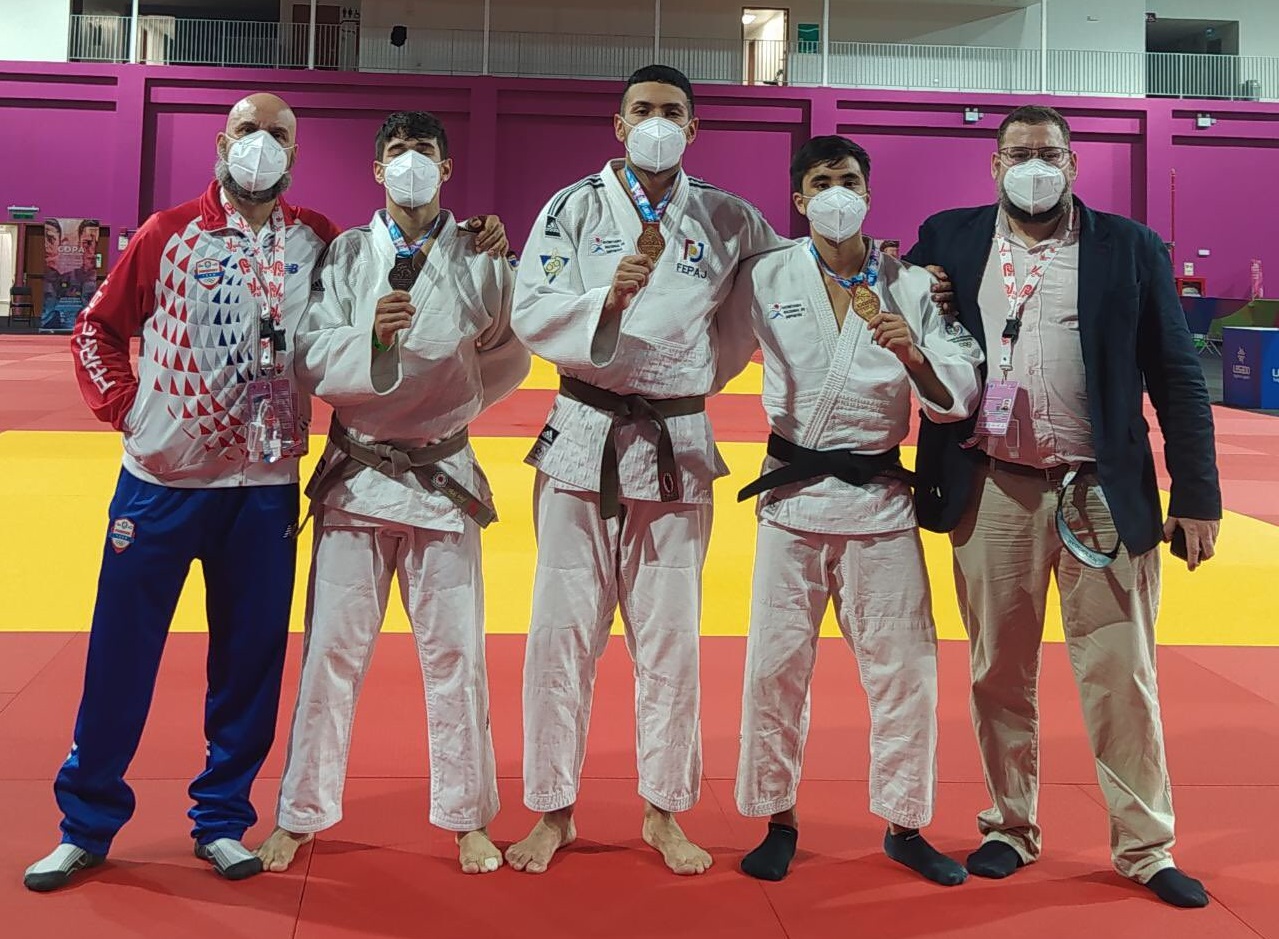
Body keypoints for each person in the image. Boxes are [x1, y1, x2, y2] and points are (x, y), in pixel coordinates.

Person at [25, 93, 507, 892]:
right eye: (248, 131)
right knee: (120, 655)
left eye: (277, 134)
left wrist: (482, 237)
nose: (261, 145)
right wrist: (129, 413)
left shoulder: (316, 239)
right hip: (162, 481)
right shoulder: (165, 231)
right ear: (223, 142)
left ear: (296, 150)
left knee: (248, 665)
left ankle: (220, 819)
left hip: (264, 485)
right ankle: (86, 824)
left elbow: (399, 313)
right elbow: (95, 330)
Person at [903, 105, 1221, 908]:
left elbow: (1178, 376)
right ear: (993, 164)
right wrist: (909, 279)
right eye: (1018, 153)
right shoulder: (947, 237)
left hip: (1098, 492)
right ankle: (1009, 823)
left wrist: (1197, 493)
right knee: (997, 672)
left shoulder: (1130, 248)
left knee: (1121, 675)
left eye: (1048, 153)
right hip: (992, 482)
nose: (1033, 166)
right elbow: (890, 306)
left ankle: (1145, 844)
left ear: (1073, 164)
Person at [505, 64, 792, 875]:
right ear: (618, 122)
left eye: (672, 111)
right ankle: (552, 810)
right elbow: (530, 307)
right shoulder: (569, 207)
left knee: (669, 640)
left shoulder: (731, 218)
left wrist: (703, 374)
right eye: (643, 110)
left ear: (693, 129)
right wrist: (604, 297)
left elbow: (772, 301)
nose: (656, 121)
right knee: (559, 636)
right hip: (581, 435)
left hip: (674, 441)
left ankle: (663, 809)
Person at [255, 110, 528, 876]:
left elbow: (509, 353)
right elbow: (308, 356)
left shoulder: (480, 254)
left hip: (441, 476)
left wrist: (458, 401)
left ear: (447, 167)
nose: (412, 163)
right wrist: (371, 343)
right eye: (399, 152)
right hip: (359, 476)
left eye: (426, 152)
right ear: (378, 170)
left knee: (455, 655)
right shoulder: (345, 253)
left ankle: (468, 817)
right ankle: (301, 813)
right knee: (330, 656)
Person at [725, 135, 981, 885]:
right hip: (791, 495)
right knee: (774, 667)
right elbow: (699, 339)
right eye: (820, 182)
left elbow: (958, 394)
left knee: (904, 669)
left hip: (879, 500)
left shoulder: (910, 284)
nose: (836, 192)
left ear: (867, 193)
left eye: (848, 180)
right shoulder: (764, 274)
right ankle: (776, 815)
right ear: (798, 200)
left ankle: (904, 823)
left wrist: (913, 355)